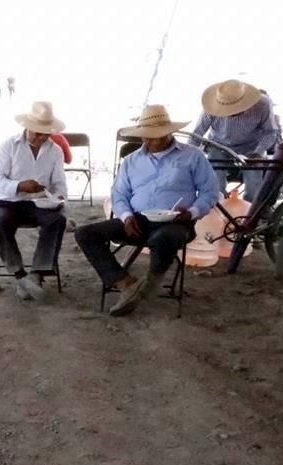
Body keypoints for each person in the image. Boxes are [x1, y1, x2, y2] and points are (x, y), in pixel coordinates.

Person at [76, 105, 219, 317]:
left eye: (156, 136)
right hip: (138, 220)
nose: (151, 141)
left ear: (169, 132)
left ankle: (152, 280)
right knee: (85, 234)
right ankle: (126, 284)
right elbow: (119, 195)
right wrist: (126, 217)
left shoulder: (193, 156)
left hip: (177, 222)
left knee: (165, 238)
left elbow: (210, 192)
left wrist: (191, 212)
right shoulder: (132, 161)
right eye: (146, 137)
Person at [0, 102, 68, 301]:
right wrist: (19, 186)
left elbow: (59, 184)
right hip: (10, 201)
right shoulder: (9, 145)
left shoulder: (55, 151)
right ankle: (19, 275)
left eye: (45, 134)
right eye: (37, 133)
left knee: (57, 221)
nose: (41, 138)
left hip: (40, 203)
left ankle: (37, 274)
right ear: (27, 127)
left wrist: (57, 197)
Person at [192, 79, 280, 201]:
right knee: (215, 186)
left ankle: (248, 214)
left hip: (251, 147)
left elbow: (270, 132)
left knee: (254, 188)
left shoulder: (263, 104)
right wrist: (189, 155)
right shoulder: (211, 106)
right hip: (218, 146)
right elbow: (197, 133)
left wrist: (258, 151)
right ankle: (218, 212)